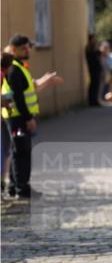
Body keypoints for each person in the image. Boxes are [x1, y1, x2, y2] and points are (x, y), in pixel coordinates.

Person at [1, 34, 63, 199]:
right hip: (17, 117)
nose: (28, 50)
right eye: (24, 48)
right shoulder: (14, 69)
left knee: (18, 151)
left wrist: (46, 80)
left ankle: (15, 187)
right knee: (21, 152)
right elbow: (18, 97)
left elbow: (28, 89)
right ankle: (21, 189)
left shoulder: (19, 67)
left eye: (28, 47)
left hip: (16, 116)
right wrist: (28, 118)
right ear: (13, 49)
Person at [85, 34, 103, 107]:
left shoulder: (92, 47)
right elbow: (96, 54)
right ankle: (92, 101)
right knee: (94, 85)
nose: (94, 40)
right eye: (93, 39)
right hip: (93, 69)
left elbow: (99, 53)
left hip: (95, 69)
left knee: (96, 85)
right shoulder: (89, 48)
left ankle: (94, 100)